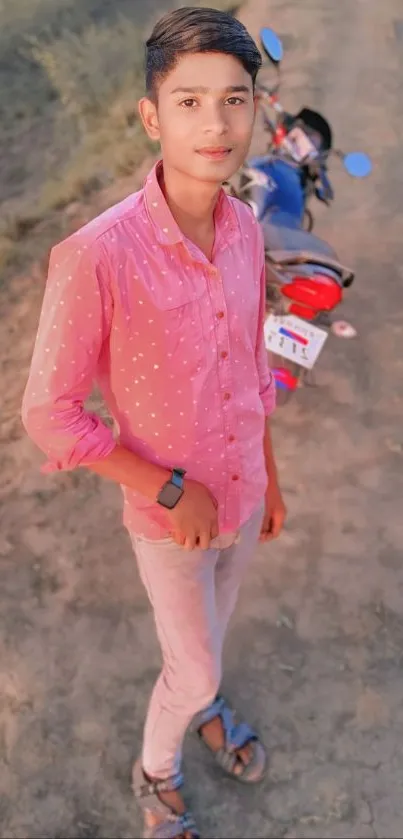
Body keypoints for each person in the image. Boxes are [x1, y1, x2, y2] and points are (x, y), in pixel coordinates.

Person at [22, 7, 286, 838]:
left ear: (255, 109)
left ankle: (202, 697)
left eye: (235, 100)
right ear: (150, 115)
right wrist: (169, 488)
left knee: (213, 631)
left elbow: (250, 361)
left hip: (242, 490)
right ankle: (157, 771)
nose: (215, 123)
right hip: (170, 518)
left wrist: (270, 473)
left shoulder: (243, 228)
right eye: (189, 101)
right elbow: (49, 414)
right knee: (195, 657)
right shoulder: (96, 255)